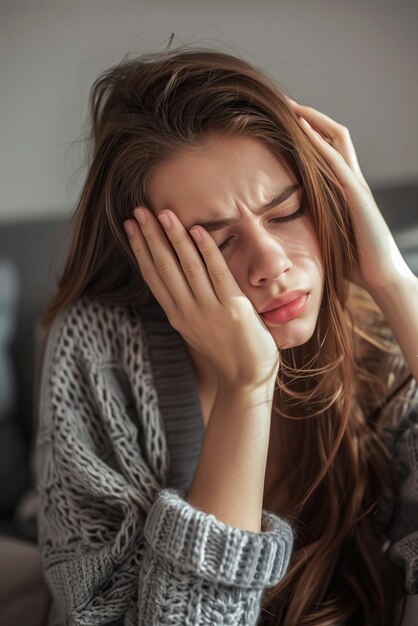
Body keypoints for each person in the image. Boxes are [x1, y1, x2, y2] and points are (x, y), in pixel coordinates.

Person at [34, 45, 418, 626]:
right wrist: (247, 389)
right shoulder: (98, 353)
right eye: (215, 244)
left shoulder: (380, 326)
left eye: (286, 212)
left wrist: (393, 281)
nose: (270, 263)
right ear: (153, 264)